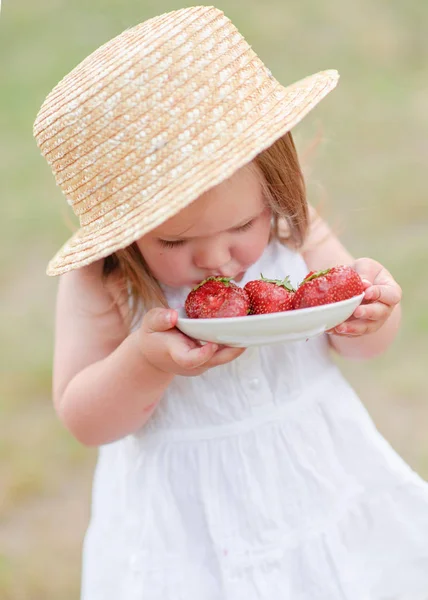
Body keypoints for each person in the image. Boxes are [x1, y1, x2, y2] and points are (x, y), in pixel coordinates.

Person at [34, 6, 428, 600]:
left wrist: (372, 312)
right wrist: (145, 363)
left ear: (277, 187)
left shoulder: (296, 229)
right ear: (124, 236)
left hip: (316, 484)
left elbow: (368, 347)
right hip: (188, 530)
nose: (218, 259)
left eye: (243, 224)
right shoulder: (104, 280)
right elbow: (85, 420)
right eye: (175, 241)